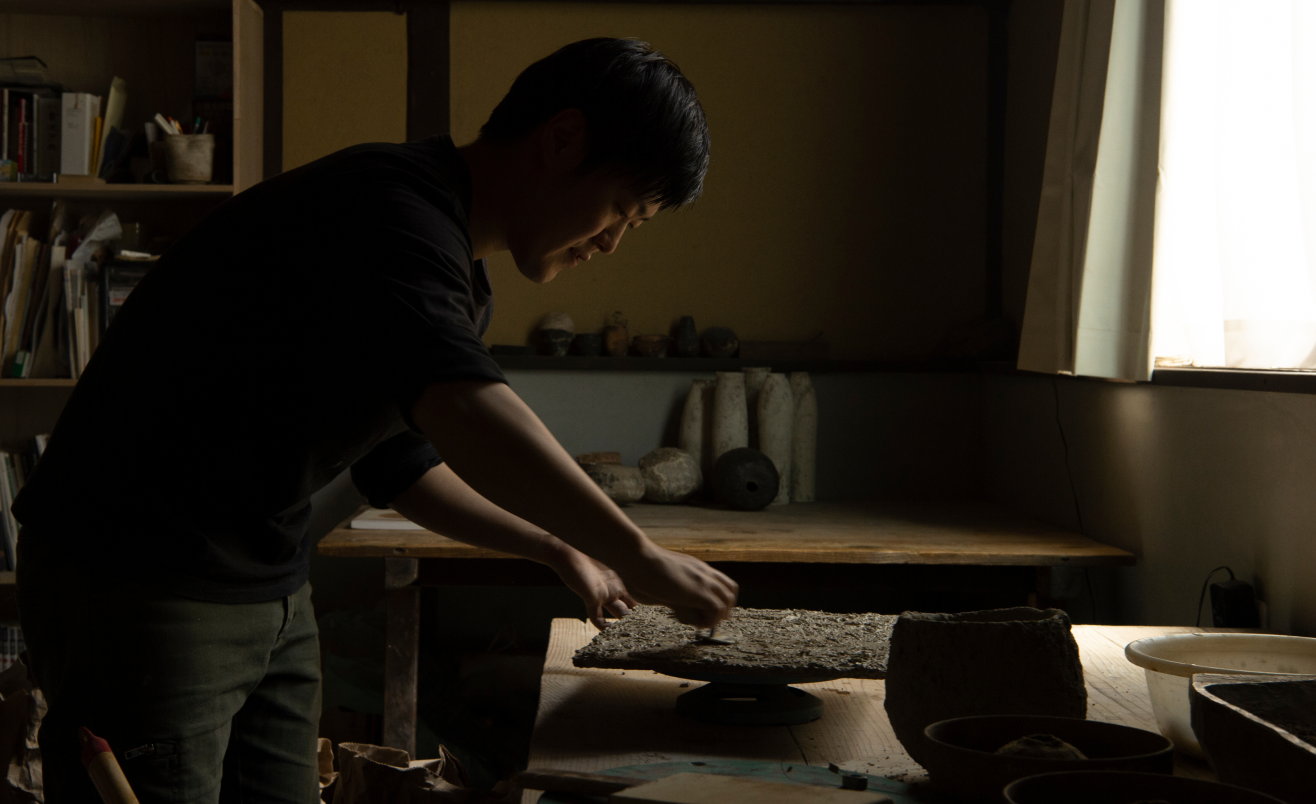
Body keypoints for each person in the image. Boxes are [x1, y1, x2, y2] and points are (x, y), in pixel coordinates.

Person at [14, 37, 736, 802]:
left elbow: (402, 467)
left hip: (267, 581)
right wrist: (636, 550)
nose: (611, 243)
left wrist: (557, 548)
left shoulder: (458, 275)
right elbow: (466, 407)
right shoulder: (389, 209)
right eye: (621, 210)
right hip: (139, 577)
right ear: (561, 140)